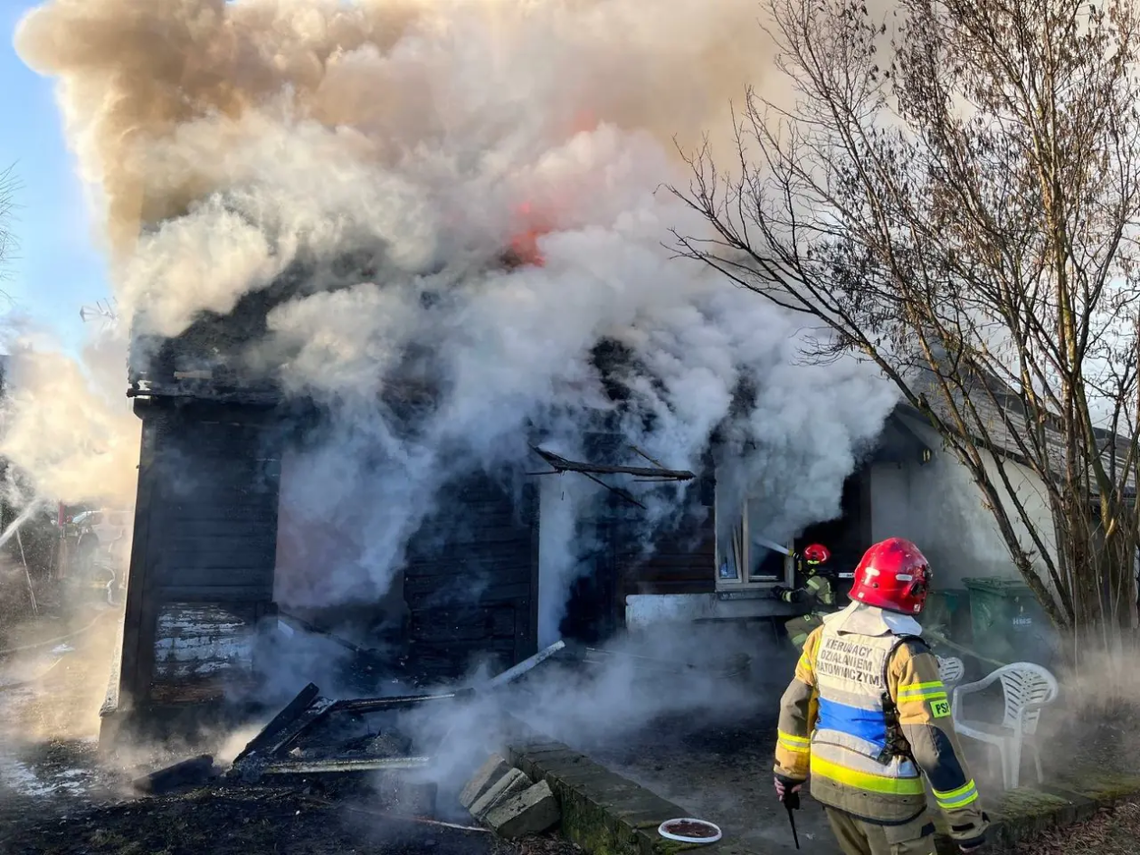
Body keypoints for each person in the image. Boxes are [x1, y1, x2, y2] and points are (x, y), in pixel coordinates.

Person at [772, 537, 988, 855]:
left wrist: (788, 773)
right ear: (913, 589)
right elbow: (933, 746)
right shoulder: (907, 653)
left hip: (830, 787)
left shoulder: (822, 635)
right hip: (888, 803)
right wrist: (965, 823)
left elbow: (794, 705)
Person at [772, 543, 838, 651]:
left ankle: (808, 653)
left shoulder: (817, 579)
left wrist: (781, 593)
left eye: (805, 561)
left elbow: (798, 597)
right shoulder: (828, 575)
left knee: (792, 625)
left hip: (822, 618)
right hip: (830, 616)